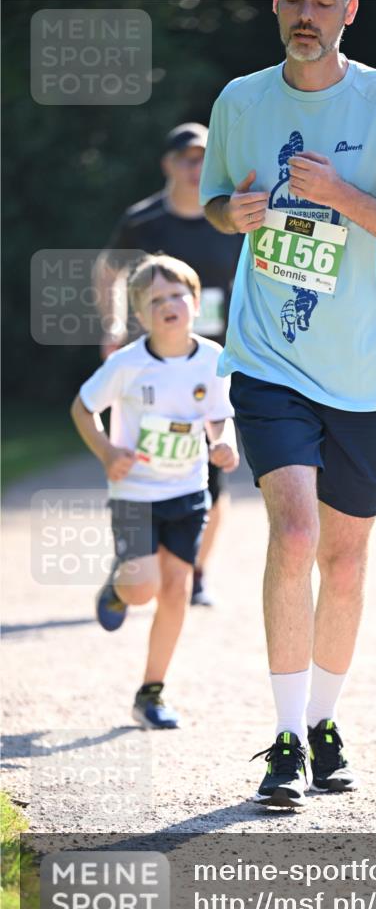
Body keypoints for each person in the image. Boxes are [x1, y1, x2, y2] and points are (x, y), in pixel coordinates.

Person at [200, 0, 376, 807]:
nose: (305, 13)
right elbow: (215, 201)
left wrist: (342, 195)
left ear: (349, 8)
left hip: (367, 369)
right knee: (295, 532)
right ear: (275, 5)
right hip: (270, 357)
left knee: (343, 564)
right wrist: (230, 213)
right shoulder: (240, 100)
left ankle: (322, 723)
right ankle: (283, 738)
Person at [71, 255, 239, 729]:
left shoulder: (212, 358)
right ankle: (118, 588)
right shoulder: (127, 364)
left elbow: (220, 416)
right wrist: (107, 453)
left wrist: (223, 442)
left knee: (175, 590)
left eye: (177, 295)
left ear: (196, 301)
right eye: (155, 299)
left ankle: (151, 692)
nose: (168, 305)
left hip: (188, 492)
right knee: (141, 588)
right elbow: (83, 408)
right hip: (135, 494)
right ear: (141, 315)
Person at [95, 123, 243, 607]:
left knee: (213, 473)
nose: (196, 167)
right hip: (153, 363)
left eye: (204, 158)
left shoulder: (230, 215)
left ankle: (194, 573)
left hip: (212, 359)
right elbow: (108, 271)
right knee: (144, 463)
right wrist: (114, 327)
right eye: (187, 158)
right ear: (168, 164)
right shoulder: (145, 220)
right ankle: (135, 562)